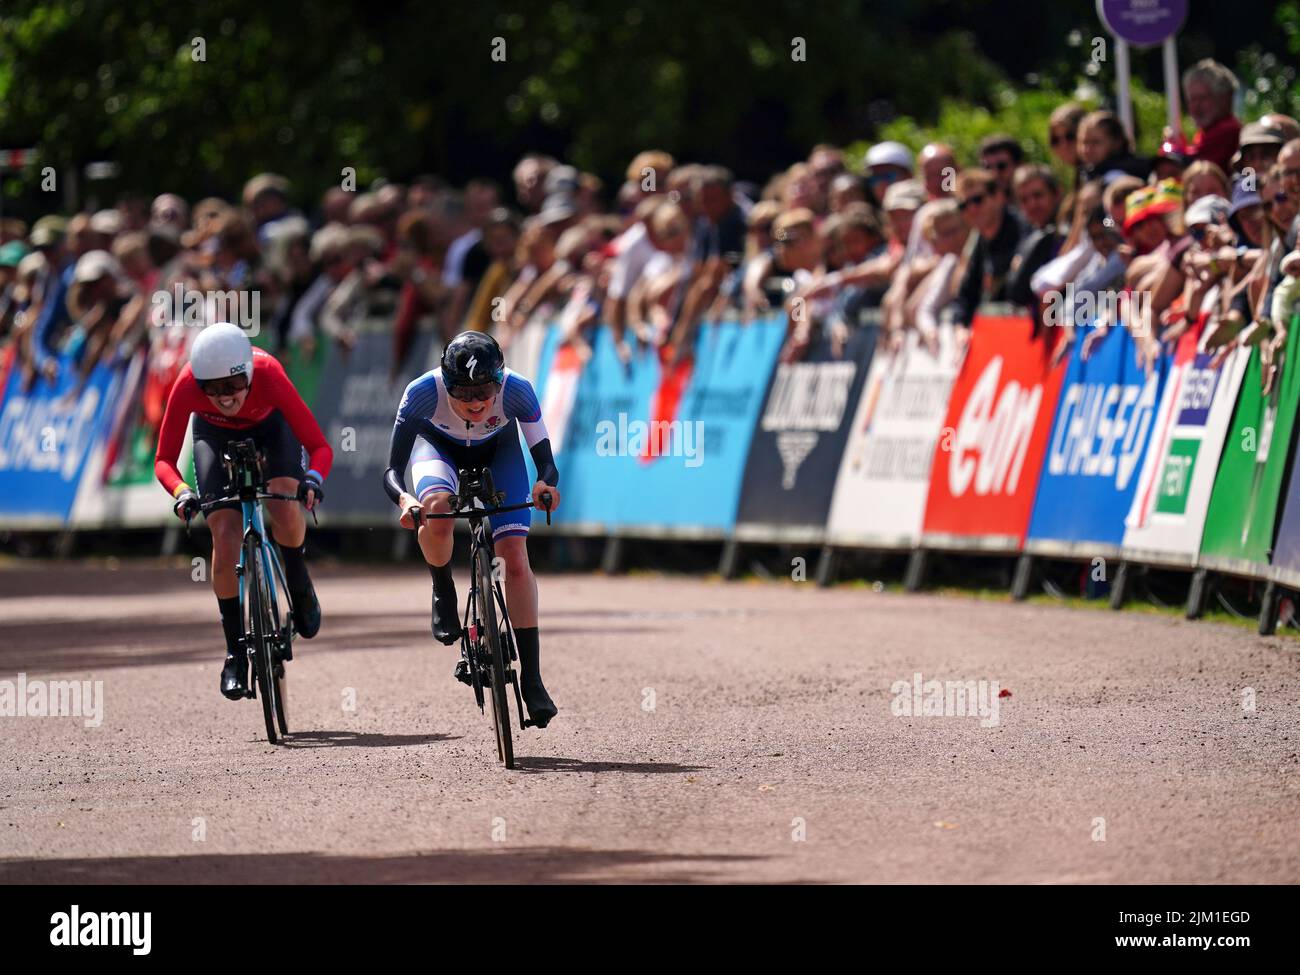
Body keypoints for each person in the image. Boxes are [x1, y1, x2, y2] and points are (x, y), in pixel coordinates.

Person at [382, 331, 560, 728]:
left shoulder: (517, 390)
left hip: (500, 451)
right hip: (437, 449)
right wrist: (405, 500)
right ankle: (442, 588)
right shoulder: (422, 393)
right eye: (464, 394)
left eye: (484, 391)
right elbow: (392, 470)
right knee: (437, 510)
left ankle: (532, 679)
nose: (477, 402)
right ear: (447, 386)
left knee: (513, 558)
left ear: (499, 381)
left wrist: (545, 484)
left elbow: (545, 461)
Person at [155, 322, 331, 700]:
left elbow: (320, 447)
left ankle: (298, 580)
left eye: (233, 385)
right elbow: (164, 459)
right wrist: (182, 492)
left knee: (284, 502)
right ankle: (235, 653)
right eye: (213, 389)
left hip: (272, 429)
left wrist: (312, 480)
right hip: (214, 437)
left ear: (248, 373)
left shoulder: (269, 373)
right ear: (199, 381)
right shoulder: (187, 383)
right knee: (224, 535)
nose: (224, 396)